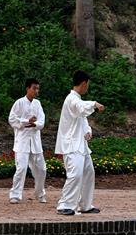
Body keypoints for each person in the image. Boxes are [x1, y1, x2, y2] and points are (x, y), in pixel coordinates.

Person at [55, 70, 105, 216]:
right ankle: (64, 205)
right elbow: (81, 108)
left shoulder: (77, 101)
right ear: (84, 84)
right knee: (75, 174)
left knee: (89, 172)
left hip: (81, 145)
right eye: (87, 84)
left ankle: (85, 205)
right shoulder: (71, 99)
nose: (87, 87)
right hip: (71, 145)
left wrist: (88, 131)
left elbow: (82, 118)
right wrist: (94, 104)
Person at [8, 78, 47, 205]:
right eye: (34, 88)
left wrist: (34, 123)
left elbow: (42, 121)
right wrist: (26, 121)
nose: (36, 91)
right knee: (21, 168)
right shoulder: (19, 103)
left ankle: (39, 193)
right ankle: (15, 195)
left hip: (35, 142)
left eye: (38, 88)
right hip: (22, 142)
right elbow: (12, 119)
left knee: (42, 169)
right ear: (27, 88)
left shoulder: (38, 104)